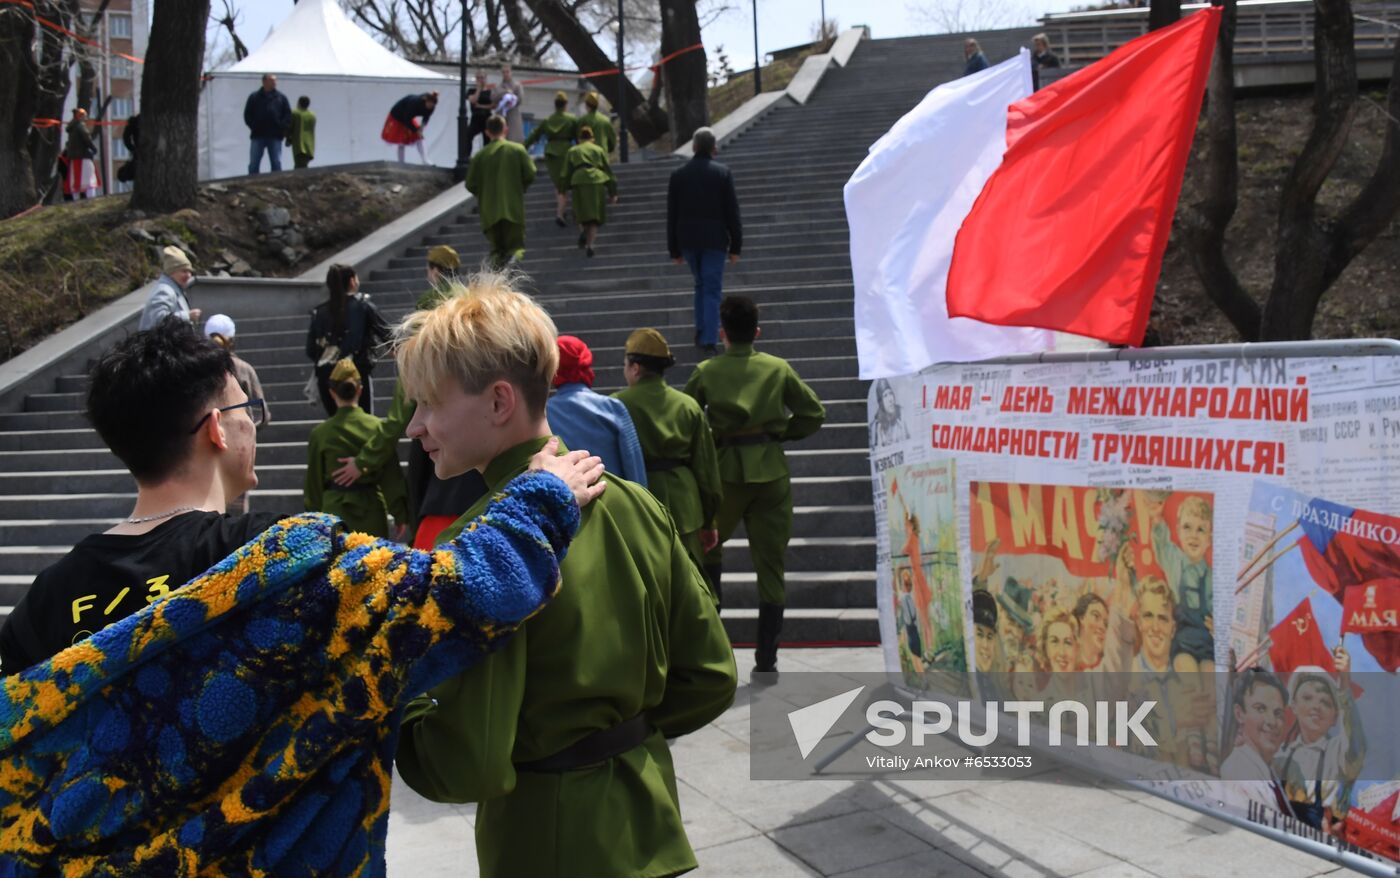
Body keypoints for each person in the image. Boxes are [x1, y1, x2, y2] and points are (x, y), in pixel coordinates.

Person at [393, 273, 738, 878]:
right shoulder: (634, 503)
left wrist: (402, 714)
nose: (414, 426)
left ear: (499, 402)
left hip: (545, 839)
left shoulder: (481, 545)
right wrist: (619, 738)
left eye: (429, 402)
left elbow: (463, 761)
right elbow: (709, 676)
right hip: (649, 816)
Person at [0, 318, 273, 674]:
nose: (252, 424)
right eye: (245, 409)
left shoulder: (45, 599)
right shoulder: (268, 550)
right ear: (216, 428)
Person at [685, 296, 825, 673]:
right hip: (771, 473)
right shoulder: (778, 369)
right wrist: (780, 435)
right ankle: (767, 658)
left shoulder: (706, 370)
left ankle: (713, 650)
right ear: (757, 331)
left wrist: (711, 443)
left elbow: (686, 418)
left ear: (722, 333)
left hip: (724, 474)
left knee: (709, 551)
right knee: (771, 564)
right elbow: (814, 413)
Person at [329, 245, 489, 550]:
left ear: (434, 271)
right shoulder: (478, 315)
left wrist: (364, 461)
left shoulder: (428, 320)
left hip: (442, 472)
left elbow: (401, 413)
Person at [613, 327, 722, 600]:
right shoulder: (688, 406)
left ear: (635, 368)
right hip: (686, 505)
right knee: (693, 588)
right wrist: (710, 520)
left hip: (638, 503)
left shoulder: (615, 406)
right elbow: (707, 472)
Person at [305, 358, 410, 539]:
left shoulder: (320, 434)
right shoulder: (378, 428)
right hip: (371, 511)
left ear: (331, 392)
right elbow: (391, 477)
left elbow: (313, 485)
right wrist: (401, 514)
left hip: (333, 515)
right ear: (360, 390)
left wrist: (311, 517)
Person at [667, 127, 742, 356]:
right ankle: (709, 337)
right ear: (713, 148)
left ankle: (701, 329)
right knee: (711, 288)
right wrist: (736, 245)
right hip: (714, 240)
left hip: (688, 239)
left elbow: (672, 214)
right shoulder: (722, 173)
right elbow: (732, 211)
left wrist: (674, 249)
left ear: (693, 147)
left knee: (701, 284)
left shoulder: (679, 175)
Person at [1276, 653, 1367, 832]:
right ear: (1293, 706)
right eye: (1308, 698)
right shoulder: (1281, 754)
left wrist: (1344, 684)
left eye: (1325, 702)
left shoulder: (1338, 752)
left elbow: (1355, 743)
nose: (1316, 706)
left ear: (1335, 716)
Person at [545, 335, 647, 484]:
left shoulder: (544, 414)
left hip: (566, 501)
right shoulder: (613, 408)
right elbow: (633, 463)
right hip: (613, 499)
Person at [306, 263, 390, 416]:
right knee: (364, 423)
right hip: (357, 375)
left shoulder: (319, 312)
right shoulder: (363, 306)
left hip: (328, 378)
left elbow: (311, 349)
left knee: (336, 423)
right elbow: (387, 334)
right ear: (352, 281)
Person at [466, 114, 535, 268]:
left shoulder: (480, 156)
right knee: (516, 247)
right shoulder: (517, 150)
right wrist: (519, 187)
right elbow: (530, 173)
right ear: (506, 129)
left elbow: (470, 184)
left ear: (487, 132)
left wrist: (484, 194)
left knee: (496, 249)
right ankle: (512, 268)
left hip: (489, 212)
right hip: (513, 208)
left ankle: (495, 276)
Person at [1220, 668, 1292, 818]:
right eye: (1260, 709)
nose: (1272, 722)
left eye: (1278, 713)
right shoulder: (1240, 774)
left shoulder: (1267, 769)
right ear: (1239, 714)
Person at [203, 313, 270, 428]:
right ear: (232, 340)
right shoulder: (244, 369)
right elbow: (261, 413)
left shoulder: (196, 369)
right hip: (239, 438)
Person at [562, 125, 617, 257]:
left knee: (580, 213)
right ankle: (591, 245)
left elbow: (565, 172)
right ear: (592, 138)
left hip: (578, 180)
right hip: (596, 180)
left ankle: (582, 232)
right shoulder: (598, 149)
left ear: (579, 139)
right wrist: (612, 191)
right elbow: (608, 170)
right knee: (594, 217)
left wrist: (563, 188)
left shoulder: (573, 150)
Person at [524, 91, 578, 226]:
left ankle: (561, 210)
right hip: (567, 152)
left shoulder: (548, 121)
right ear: (565, 105)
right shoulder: (572, 119)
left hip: (551, 154)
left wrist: (522, 148)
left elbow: (534, 135)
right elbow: (578, 137)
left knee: (558, 184)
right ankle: (561, 212)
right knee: (567, 182)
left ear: (555, 105)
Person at [138, 245, 199, 330]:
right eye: (184, 271)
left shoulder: (174, 289)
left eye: (190, 271)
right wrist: (187, 316)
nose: (189, 275)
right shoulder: (164, 291)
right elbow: (158, 319)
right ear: (172, 272)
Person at [244, 73, 291, 174]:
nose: (275, 82)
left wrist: (281, 127)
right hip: (258, 135)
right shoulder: (254, 97)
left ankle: (277, 182)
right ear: (264, 81)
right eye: (272, 80)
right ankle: (252, 182)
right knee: (254, 163)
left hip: (275, 135)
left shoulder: (281, 98)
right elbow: (247, 114)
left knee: (276, 162)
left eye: (275, 80)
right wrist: (254, 126)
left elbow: (287, 114)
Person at [383, 91, 439, 163]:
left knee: (420, 137)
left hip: (408, 116)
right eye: (429, 104)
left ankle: (425, 160)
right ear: (425, 101)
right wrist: (416, 130)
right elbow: (407, 119)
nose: (430, 106)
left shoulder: (432, 108)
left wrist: (421, 128)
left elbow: (426, 117)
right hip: (397, 116)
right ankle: (401, 163)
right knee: (401, 140)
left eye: (432, 105)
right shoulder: (415, 103)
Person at [62, 108, 100, 200]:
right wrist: (94, 149)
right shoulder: (81, 126)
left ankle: (75, 199)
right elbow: (87, 139)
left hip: (73, 158)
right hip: (83, 157)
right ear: (81, 116)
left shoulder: (72, 128)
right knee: (89, 179)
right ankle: (91, 198)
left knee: (75, 180)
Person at [577, 90, 617, 155]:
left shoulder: (582, 120)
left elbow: (577, 138)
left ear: (587, 105)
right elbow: (612, 140)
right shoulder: (605, 120)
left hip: (586, 155)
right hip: (602, 154)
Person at [466, 71, 495, 158]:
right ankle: (467, 157)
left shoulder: (490, 92)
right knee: (468, 135)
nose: (480, 80)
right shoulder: (471, 90)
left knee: (487, 139)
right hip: (475, 118)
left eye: (482, 78)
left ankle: (487, 158)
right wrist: (478, 89)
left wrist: (480, 106)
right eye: (478, 78)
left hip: (486, 118)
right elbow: (473, 100)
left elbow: (493, 105)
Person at [288, 95, 316, 169]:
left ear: (299, 103)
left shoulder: (295, 113)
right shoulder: (312, 115)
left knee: (299, 167)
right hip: (310, 146)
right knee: (303, 164)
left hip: (299, 145)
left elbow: (290, 127)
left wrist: (288, 138)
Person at [497, 63, 524, 142]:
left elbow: (520, 99)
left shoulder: (517, 86)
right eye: (503, 72)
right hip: (501, 116)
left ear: (511, 72)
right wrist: (504, 93)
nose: (505, 74)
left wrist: (512, 97)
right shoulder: (498, 87)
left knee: (513, 139)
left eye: (507, 72)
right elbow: (493, 98)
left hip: (513, 115)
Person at [116, 112, 139, 184]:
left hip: (139, 150)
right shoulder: (135, 121)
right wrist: (132, 149)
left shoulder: (135, 121)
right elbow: (126, 137)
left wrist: (132, 148)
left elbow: (126, 137)